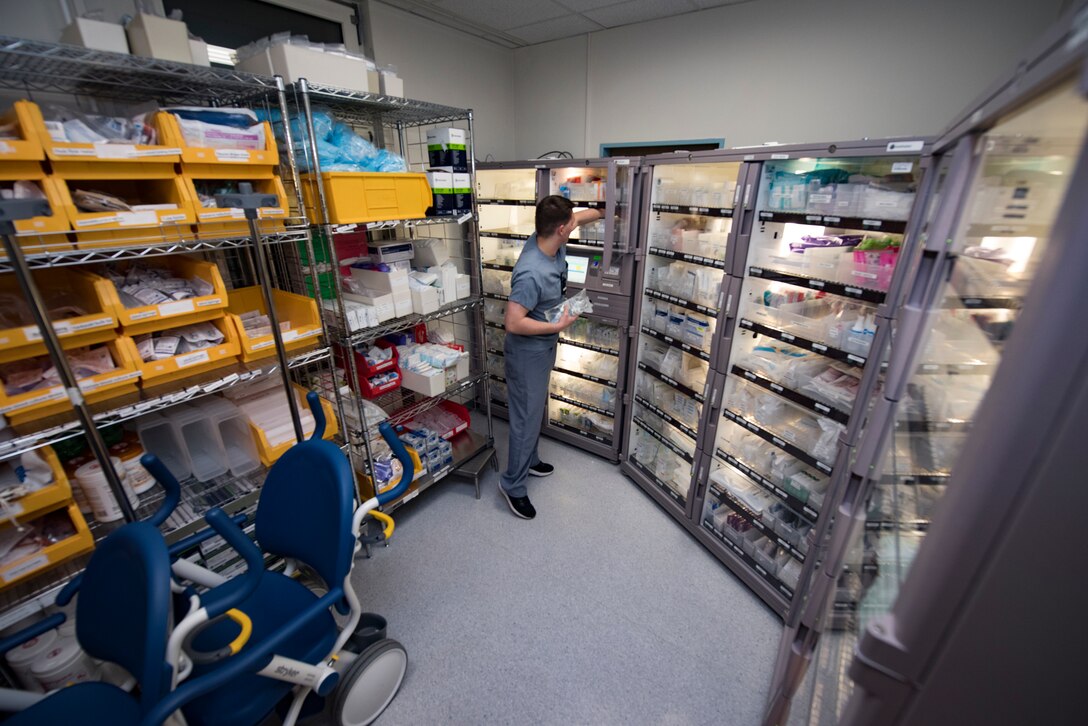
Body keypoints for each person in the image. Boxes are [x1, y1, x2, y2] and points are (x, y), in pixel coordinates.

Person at [499, 195, 606, 519]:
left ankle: (529, 461)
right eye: (570, 223)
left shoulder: (545, 237)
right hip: (527, 352)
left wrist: (608, 208)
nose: (574, 225)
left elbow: (579, 217)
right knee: (525, 419)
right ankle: (513, 485)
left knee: (533, 412)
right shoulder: (532, 272)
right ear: (561, 229)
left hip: (543, 345)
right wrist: (556, 323)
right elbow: (513, 321)